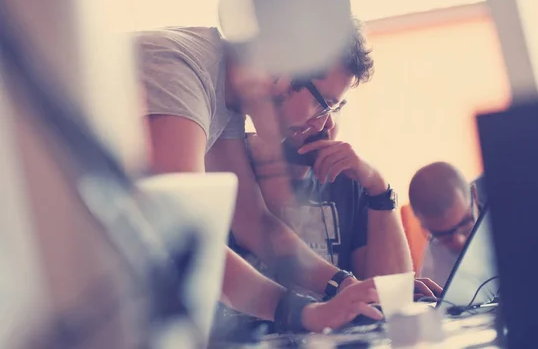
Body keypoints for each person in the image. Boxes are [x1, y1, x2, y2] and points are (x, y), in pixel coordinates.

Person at [136, 21, 383, 333]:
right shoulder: (180, 69)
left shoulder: (226, 96)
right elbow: (186, 233)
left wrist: (343, 283)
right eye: (325, 105)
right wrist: (306, 313)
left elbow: (253, 221)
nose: (323, 125)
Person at [245, 116, 441, 298]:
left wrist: (378, 188)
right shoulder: (234, 165)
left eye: (336, 107)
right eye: (319, 107)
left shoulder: (348, 179)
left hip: (338, 334)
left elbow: (389, 298)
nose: (328, 123)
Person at [408, 162, 485, 287]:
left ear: (474, 196)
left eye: (465, 223)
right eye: (444, 235)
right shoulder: (432, 267)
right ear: (424, 226)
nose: (459, 241)